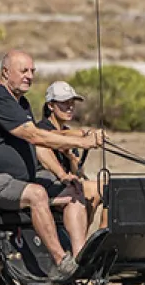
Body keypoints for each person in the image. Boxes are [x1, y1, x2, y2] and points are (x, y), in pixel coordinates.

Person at [0, 51, 104, 282]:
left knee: (74, 192)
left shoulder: (21, 103)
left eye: (32, 71)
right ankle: (61, 261)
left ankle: (79, 260)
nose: (29, 76)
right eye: (23, 71)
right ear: (5, 72)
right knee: (37, 194)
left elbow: (37, 147)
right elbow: (34, 136)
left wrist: (62, 175)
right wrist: (81, 140)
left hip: (19, 181)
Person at [34, 81, 102, 226]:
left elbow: (78, 172)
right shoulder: (41, 129)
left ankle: (101, 233)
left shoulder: (69, 133)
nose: (70, 107)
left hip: (67, 182)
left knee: (108, 187)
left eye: (72, 103)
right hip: (47, 183)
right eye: (64, 103)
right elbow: (53, 135)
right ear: (50, 106)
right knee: (96, 188)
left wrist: (70, 156)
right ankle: (81, 242)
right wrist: (85, 134)